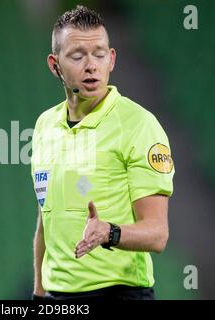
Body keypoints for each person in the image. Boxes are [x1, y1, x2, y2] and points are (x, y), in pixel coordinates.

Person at [30, 5, 175, 300]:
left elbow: (158, 234)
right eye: (77, 56)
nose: (91, 65)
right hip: (57, 297)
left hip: (118, 294)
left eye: (98, 54)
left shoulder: (138, 125)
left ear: (111, 60)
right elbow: (45, 221)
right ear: (54, 64)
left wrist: (109, 232)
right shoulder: (45, 125)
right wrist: (39, 292)